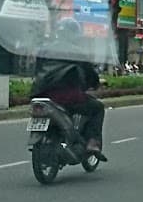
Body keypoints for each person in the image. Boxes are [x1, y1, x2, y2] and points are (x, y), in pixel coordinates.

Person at [29, 20, 106, 158]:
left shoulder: (44, 50)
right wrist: (94, 84)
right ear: (74, 35)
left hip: (42, 94)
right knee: (98, 108)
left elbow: (37, 71)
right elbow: (90, 73)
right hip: (68, 97)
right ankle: (93, 142)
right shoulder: (77, 52)